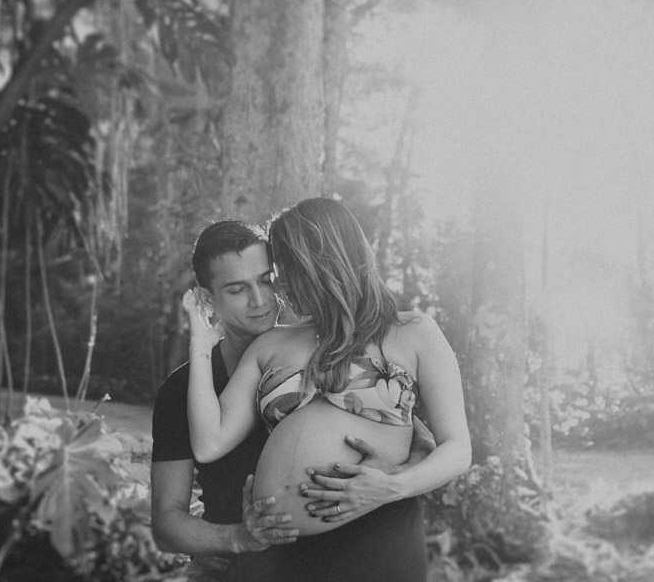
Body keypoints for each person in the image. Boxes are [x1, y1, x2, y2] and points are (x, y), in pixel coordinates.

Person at [186, 198, 471, 582]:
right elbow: (209, 443)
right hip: (280, 554)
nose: (280, 284)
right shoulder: (270, 344)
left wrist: (392, 486)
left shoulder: (413, 332)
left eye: (288, 269)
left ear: (323, 263)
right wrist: (200, 343)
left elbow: (458, 449)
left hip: (378, 539)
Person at [150, 221, 298, 582]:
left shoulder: (316, 353)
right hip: (227, 561)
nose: (260, 300)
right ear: (206, 298)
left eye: (266, 280)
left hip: (322, 556)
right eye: (237, 288)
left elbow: (410, 434)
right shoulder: (180, 389)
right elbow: (167, 523)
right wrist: (239, 538)